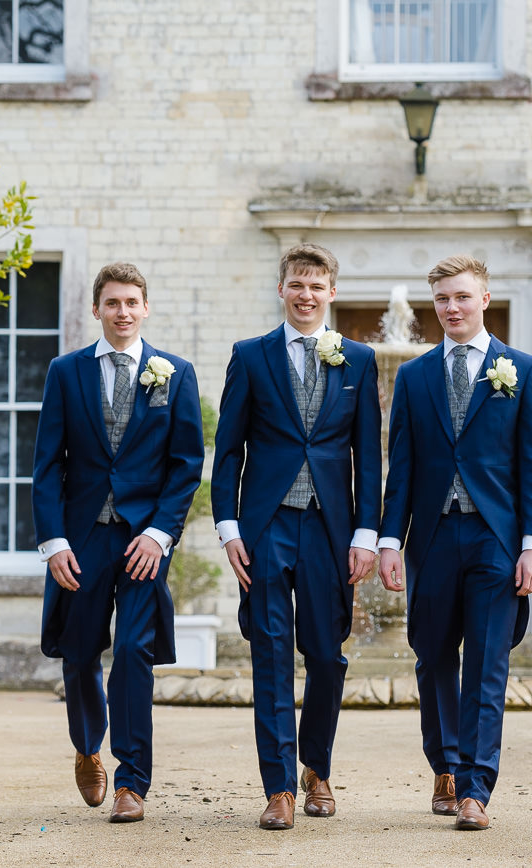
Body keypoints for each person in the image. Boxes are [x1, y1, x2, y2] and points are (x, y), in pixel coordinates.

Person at [377, 254, 532, 831]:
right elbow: (399, 465)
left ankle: (476, 786)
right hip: (430, 537)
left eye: (461, 297)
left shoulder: (521, 370)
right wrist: (387, 541)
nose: (451, 308)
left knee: (486, 664)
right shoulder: (415, 375)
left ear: (483, 298)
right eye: (442, 300)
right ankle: (445, 765)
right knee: (432, 656)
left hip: (496, 538)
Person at [211, 243, 381, 830]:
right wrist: (228, 526)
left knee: (327, 657)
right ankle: (278, 787)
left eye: (316, 286)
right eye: (296, 285)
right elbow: (228, 448)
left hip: (332, 530)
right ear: (281, 289)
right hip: (266, 527)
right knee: (271, 655)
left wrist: (366, 531)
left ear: (332, 292)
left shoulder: (357, 359)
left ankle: (317, 767)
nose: (306, 295)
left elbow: (369, 457)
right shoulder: (250, 357)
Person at [33, 262, 204, 824]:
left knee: (133, 651)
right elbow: (46, 466)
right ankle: (87, 747)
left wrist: (160, 533)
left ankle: (133, 780)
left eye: (132, 302)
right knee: (81, 653)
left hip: (142, 542)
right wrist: (54, 541)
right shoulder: (66, 371)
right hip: (81, 540)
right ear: (97, 309)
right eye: (112, 303)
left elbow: (185, 465)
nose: (123, 312)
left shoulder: (174, 373)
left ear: (146, 307)